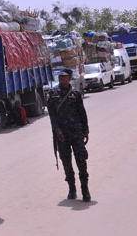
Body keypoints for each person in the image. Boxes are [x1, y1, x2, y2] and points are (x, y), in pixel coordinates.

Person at [46, 68, 91, 202]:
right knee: (66, 163)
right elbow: (52, 115)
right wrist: (56, 130)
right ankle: (72, 189)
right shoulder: (52, 93)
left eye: (64, 76)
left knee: (81, 161)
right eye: (60, 76)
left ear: (70, 78)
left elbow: (82, 113)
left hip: (76, 133)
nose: (61, 78)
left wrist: (86, 130)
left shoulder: (76, 94)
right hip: (62, 135)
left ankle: (85, 190)